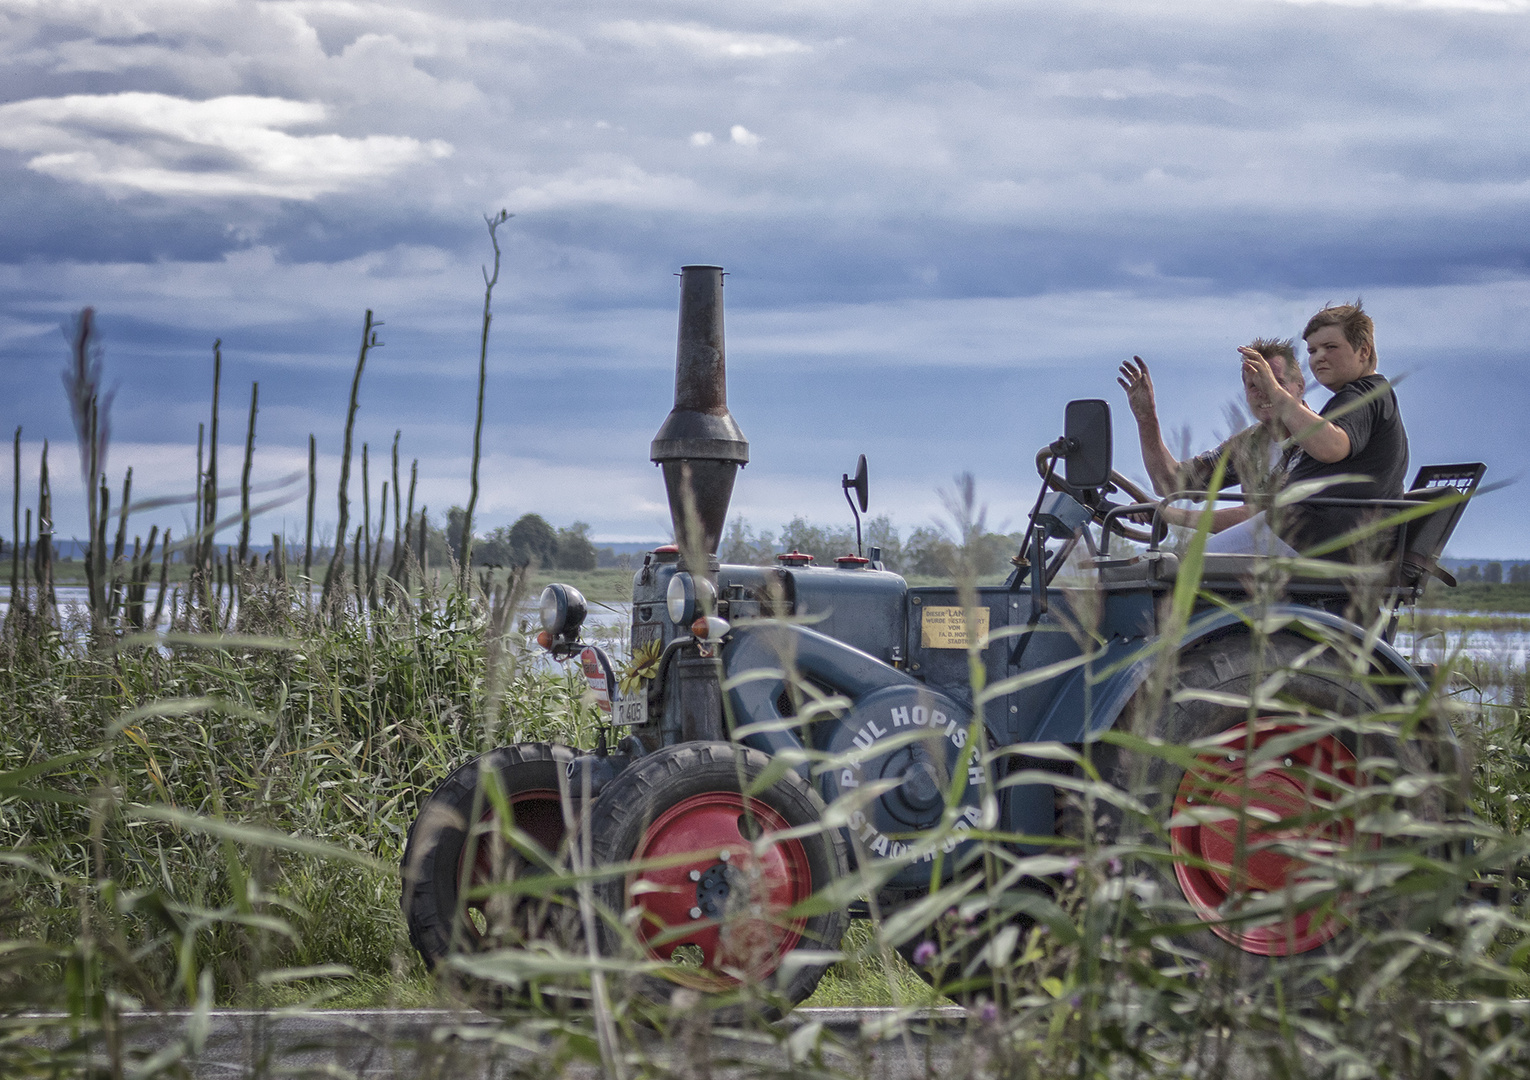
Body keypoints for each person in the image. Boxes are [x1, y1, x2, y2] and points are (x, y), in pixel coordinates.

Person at [1242, 301, 1408, 561]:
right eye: (1312, 350)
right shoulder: (1363, 396)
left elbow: (1331, 447)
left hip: (1317, 543)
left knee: (1184, 566)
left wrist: (1275, 392)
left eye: (1330, 347)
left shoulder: (1362, 396)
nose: (1319, 357)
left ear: (1363, 351)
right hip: (1310, 536)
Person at [1116, 338, 1307, 553]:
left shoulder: (1317, 440)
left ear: (1299, 386)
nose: (1265, 393)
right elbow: (1171, 484)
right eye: (1254, 385)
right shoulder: (1249, 443)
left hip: (1306, 554)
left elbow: (1272, 516)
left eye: (1275, 383)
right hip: (1261, 555)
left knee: (1187, 562)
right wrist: (1147, 419)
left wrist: (1169, 514)